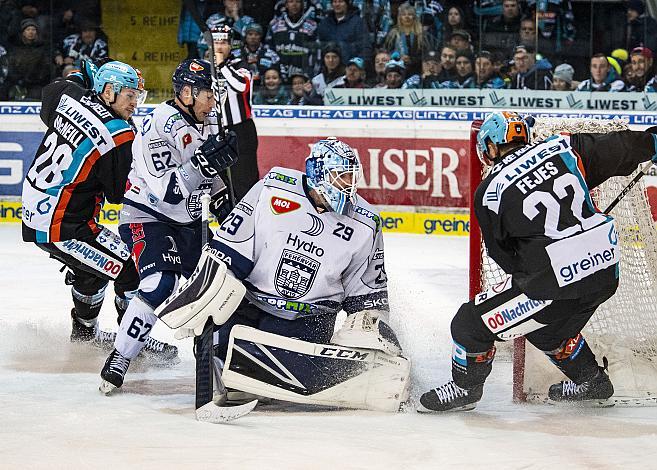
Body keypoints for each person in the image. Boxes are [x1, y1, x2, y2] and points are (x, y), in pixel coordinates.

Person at [418, 111, 657, 412]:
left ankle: (466, 389)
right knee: (547, 331)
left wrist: (536, 272)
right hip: (605, 273)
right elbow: (620, 146)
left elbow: (503, 254)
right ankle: (593, 382)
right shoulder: (564, 148)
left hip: (554, 283)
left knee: (469, 324)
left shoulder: (490, 190)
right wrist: (651, 141)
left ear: (491, 147)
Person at [156, 138, 408, 410]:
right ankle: (237, 380)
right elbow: (230, 248)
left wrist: (372, 331)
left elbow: (367, 293)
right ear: (319, 173)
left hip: (308, 318)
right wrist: (207, 290)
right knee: (217, 344)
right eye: (341, 176)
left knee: (294, 372)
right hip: (251, 304)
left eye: (352, 177)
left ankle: (252, 380)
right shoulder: (273, 187)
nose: (349, 185)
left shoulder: (366, 222)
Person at [99, 58, 240, 394]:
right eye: (208, 93)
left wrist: (231, 213)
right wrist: (203, 164)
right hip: (148, 215)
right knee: (159, 284)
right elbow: (169, 192)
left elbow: (209, 182)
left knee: (224, 284)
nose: (213, 100)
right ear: (187, 92)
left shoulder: (202, 120)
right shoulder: (158, 126)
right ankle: (120, 357)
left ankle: (221, 360)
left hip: (189, 222)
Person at [20, 60, 173, 356]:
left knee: (95, 269)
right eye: (129, 95)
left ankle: (84, 335)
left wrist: (82, 77)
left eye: (137, 96)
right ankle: (132, 344)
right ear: (108, 91)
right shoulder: (119, 134)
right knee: (132, 267)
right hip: (64, 226)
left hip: (36, 215)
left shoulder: (68, 96)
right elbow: (118, 194)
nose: (134, 104)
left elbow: (51, 92)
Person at [210, 25, 260, 202]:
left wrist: (222, 64)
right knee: (219, 182)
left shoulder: (241, 64)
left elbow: (241, 86)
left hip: (241, 130)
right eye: (215, 42)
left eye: (223, 41)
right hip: (216, 130)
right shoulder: (205, 67)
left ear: (231, 44)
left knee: (245, 179)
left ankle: (250, 217)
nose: (219, 46)